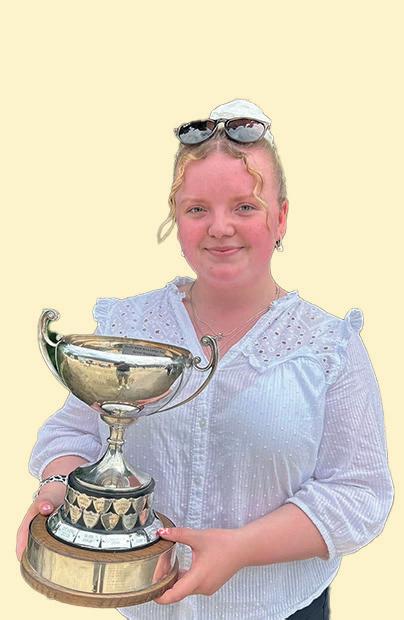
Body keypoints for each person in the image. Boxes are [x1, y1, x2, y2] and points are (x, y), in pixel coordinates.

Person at [17, 99, 394, 620]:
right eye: (197, 209)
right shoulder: (130, 327)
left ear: (281, 217)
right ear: (176, 217)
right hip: (144, 604)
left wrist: (241, 549)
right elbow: (74, 433)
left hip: (279, 610)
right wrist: (56, 492)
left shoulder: (328, 346)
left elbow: (358, 493)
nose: (220, 227)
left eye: (245, 207)